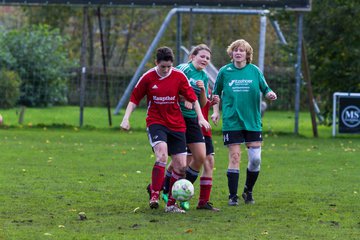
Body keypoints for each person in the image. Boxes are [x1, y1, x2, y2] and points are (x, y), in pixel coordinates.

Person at [120, 46, 211, 213]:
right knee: (162, 155)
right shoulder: (147, 77)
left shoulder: (178, 76)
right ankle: (155, 194)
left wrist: (201, 118)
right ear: (156, 63)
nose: (166, 70)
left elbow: (193, 98)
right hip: (156, 122)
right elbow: (134, 99)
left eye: (169, 66)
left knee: (181, 167)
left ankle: (171, 204)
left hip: (177, 124)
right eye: (163, 67)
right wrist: (126, 118)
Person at [212, 39, 277, 206]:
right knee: (235, 156)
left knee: (255, 160)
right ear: (231, 53)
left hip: (252, 121)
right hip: (232, 121)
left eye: (241, 50)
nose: (238, 53)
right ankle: (232, 196)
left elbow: (265, 88)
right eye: (235, 50)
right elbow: (215, 94)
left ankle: (248, 190)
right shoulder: (224, 72)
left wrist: (270, 94)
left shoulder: (254, 71)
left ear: (247, 54)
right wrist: (216, 112)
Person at [162, 44, 220, 211]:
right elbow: (169, 88)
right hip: (177, 119)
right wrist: (183, 97)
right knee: (179, 161)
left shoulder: (204, 76)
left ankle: (180, 190)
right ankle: (166, 190)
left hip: (193, 120)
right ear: (193, 56)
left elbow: (202, 103)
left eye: (208, 58)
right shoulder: (183, 69)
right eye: (202, 56)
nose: (205, 60)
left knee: (201, 157)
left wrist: (202, 91)